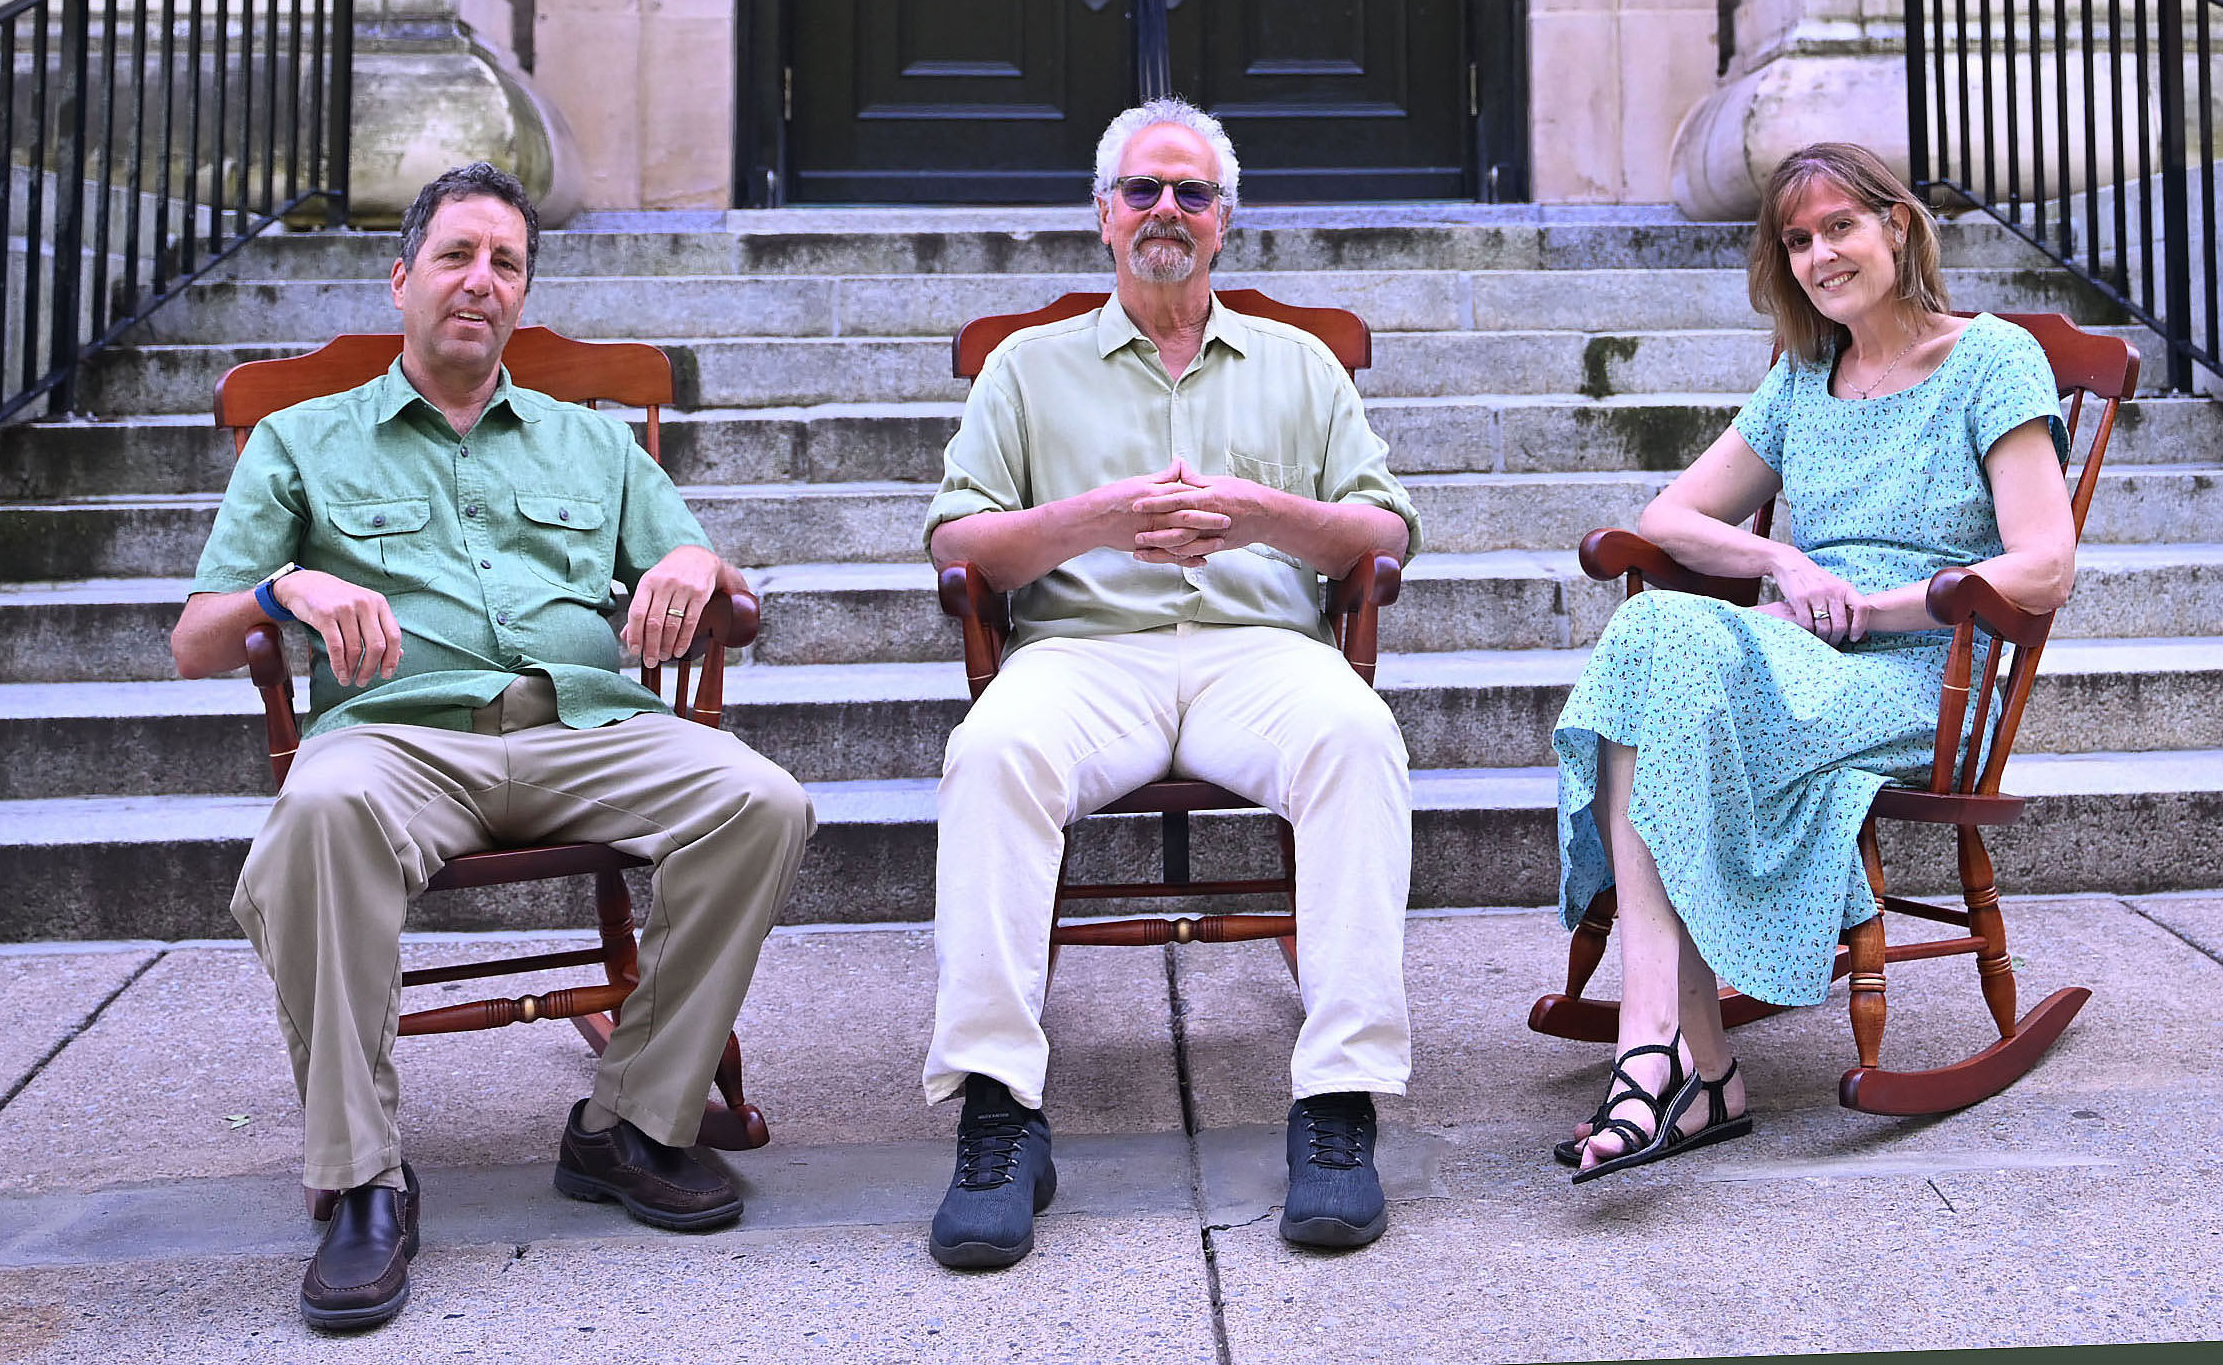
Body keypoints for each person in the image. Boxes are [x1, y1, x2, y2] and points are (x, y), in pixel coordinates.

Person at [172, 162, 814, 1331]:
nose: (481, 281)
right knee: (318, 815)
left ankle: (629, 1122)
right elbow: (195, 642)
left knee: (759, 800)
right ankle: (365, 1178)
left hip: (585, 727)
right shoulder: (304, 440)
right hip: (400, 741)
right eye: (458, 256)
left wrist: (692, 564)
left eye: (506, 262)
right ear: (402, 276)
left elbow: (722, 586)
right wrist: (286, 586)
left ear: (522, 292)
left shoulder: (594, 444)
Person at [919, 99, 1423, 1268]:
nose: (1166, 212)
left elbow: (1386, 524)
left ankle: (1338, 1107)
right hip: (1084, 657)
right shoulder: (1027, 369)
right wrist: (1091, 519)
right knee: (991, 753)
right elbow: (954, 543)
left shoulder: (1298, 365)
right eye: (1143, 190)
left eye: (1190, 194)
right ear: (1103, 216)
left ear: (1224, 223)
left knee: (1358, 738)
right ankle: (1000, 1110)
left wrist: (1258, 514)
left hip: (1262, 656)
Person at [1552, 141, 2077, 1179]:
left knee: (1668, 664)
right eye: (1797, 239)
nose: (1820, 254)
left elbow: (2045, 565)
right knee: (1659, 637)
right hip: (1803, 655)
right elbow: (1670, 516)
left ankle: (1677, 1063)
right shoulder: (1805, 377)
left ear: (1897, 226)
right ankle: (1672, 1055)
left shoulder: (1992, 358)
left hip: (1925, 669)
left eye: (1841, 225)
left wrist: (1872, 612)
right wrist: (1784, 560)